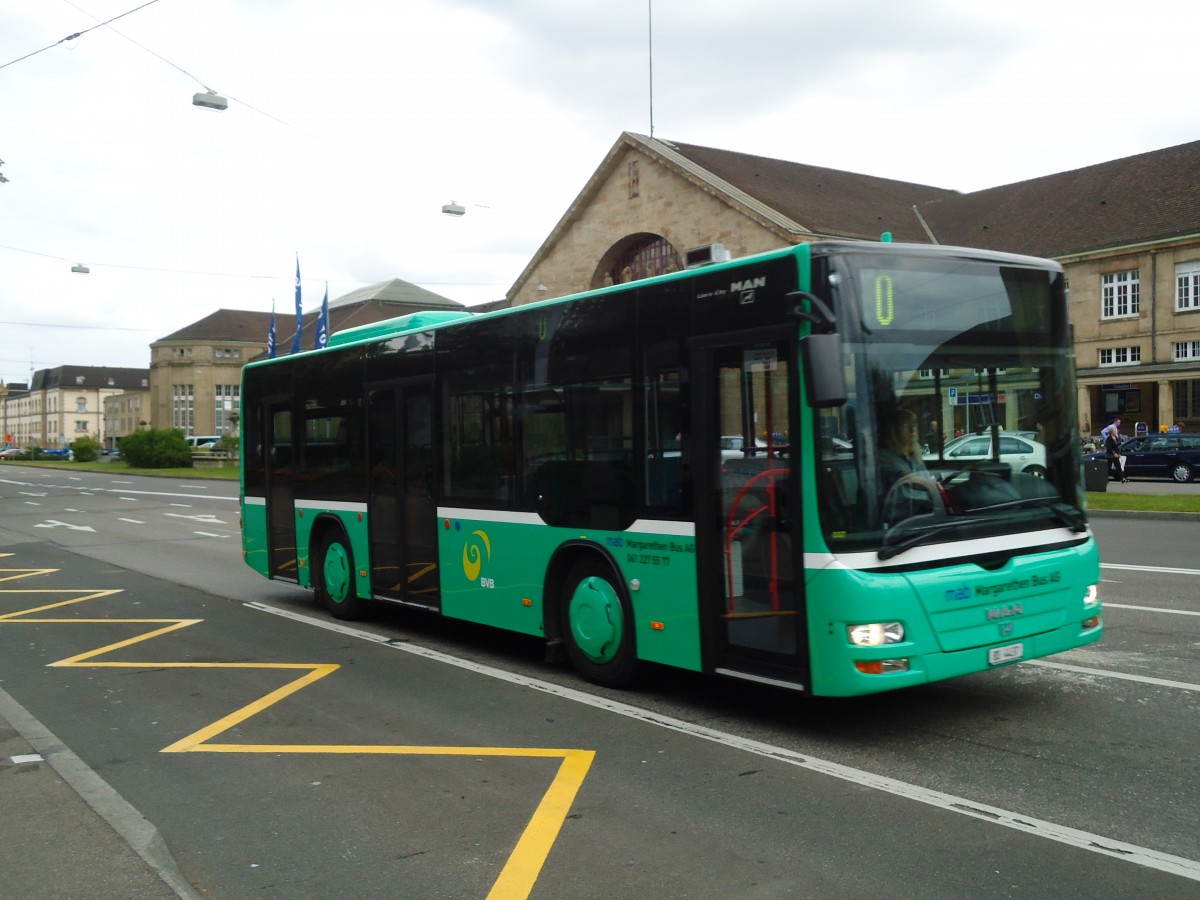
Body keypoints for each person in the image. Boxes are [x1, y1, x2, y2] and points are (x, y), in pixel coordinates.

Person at [1101, 416, 1126, 482]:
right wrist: (1106, 438)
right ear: (1111, 431)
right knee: (1108, 467)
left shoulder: (1116, 437)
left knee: (1118, 466)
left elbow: (1116, 446)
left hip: (1115, 454)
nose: (1116, 431)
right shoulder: (1109, 438)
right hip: (1110, 454)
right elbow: (1110, 447)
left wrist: (1118, 453)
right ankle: (1104, 478)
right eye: (1114, 431)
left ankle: (1122, 478)